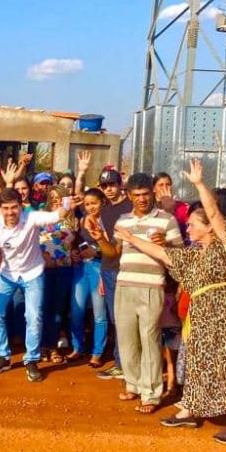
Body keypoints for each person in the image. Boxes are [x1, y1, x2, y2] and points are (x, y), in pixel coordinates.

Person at [115, 159, 226, 444]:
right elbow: (161, 254)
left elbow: (214, 214)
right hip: (204, 320)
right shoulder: (193, 255)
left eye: (194, 225)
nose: (189, 229)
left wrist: (198, 184)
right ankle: (190, 411)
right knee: (197, 364)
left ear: (210, 228)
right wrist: (132, 238)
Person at [0, 188, 75, 382]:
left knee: (34, 316)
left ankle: (31, 359)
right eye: (6, 208)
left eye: (14, 208)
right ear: (0, 208)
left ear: (21, 207)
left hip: (33, 273)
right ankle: (3, 356)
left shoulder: (31, 218)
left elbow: (57, 216)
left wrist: (66, 202)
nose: (10, 212)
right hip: (7, 274)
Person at [90, 172, 183, 413]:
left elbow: (181, 255)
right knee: (127, 338)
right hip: (124, 285)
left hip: (152, 286)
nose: (141, 199)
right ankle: (133, 384)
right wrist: (101, 239)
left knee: (150, 340)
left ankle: (151, 394)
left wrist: (167, 244)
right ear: (129, 196)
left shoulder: (167, 220)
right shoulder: (122, 220)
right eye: (137, 195)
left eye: (145, 194)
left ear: (152, 194)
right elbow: (113, 253)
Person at [92, 168, 131, 381]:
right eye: (104, 186)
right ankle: (120, 363)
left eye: (112, 184)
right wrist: (100, 275)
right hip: (108, 269)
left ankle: (125, 364)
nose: (109, 189)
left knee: (124, 319)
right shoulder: (105, 211)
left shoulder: (130, 208)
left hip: (125, 269)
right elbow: (105, 244)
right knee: (115, 319)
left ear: (120, 184)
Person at [68, 188, 108, 367]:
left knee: (99, 314)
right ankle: (78, 348)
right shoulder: (82, 219)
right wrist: (75, 252)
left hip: (100, 268)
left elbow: (113, 248)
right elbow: (77, 241)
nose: (90, 207)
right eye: (87, 204)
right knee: (76, 311)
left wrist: (97, 251)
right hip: (81, 269)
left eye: (94, 203)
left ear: (103, 203)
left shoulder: (108, 221)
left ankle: (97, 353)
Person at [38, 185, 76, 365]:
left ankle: (52, 346)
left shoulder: (73, 219)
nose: (55, 200)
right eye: (52, 196)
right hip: (43, 268)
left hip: (64, 268)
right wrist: (44, 257)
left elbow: (77, 243)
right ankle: (41, 346)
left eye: (59, 197)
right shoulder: (41, 215)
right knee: (43, 308)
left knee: (58, 310)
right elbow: (32, 240)